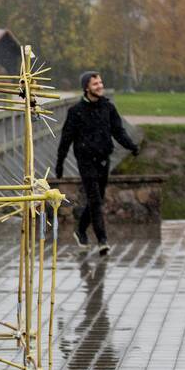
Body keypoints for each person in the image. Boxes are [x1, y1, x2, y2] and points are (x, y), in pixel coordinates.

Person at [55, 71, 139, 256]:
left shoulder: (108, 108)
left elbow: (118, 131)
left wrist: (131, 146)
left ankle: (80, 230)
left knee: (97, 198)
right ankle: (102, 240)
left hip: (103, 159)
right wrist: (60, 163)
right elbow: (66, 139)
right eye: (95, 84)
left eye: (100, 83)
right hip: (85, 161)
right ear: (86, 88)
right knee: (94, 199)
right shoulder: (75, 112)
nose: (100, 86)